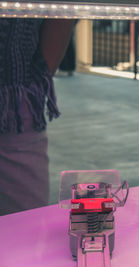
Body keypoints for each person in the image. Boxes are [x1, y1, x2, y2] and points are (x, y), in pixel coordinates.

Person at [0, 18, 74, 216]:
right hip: (17, 97)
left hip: (14, 102)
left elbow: (62, 14)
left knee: (26, 218)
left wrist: (37, 79)